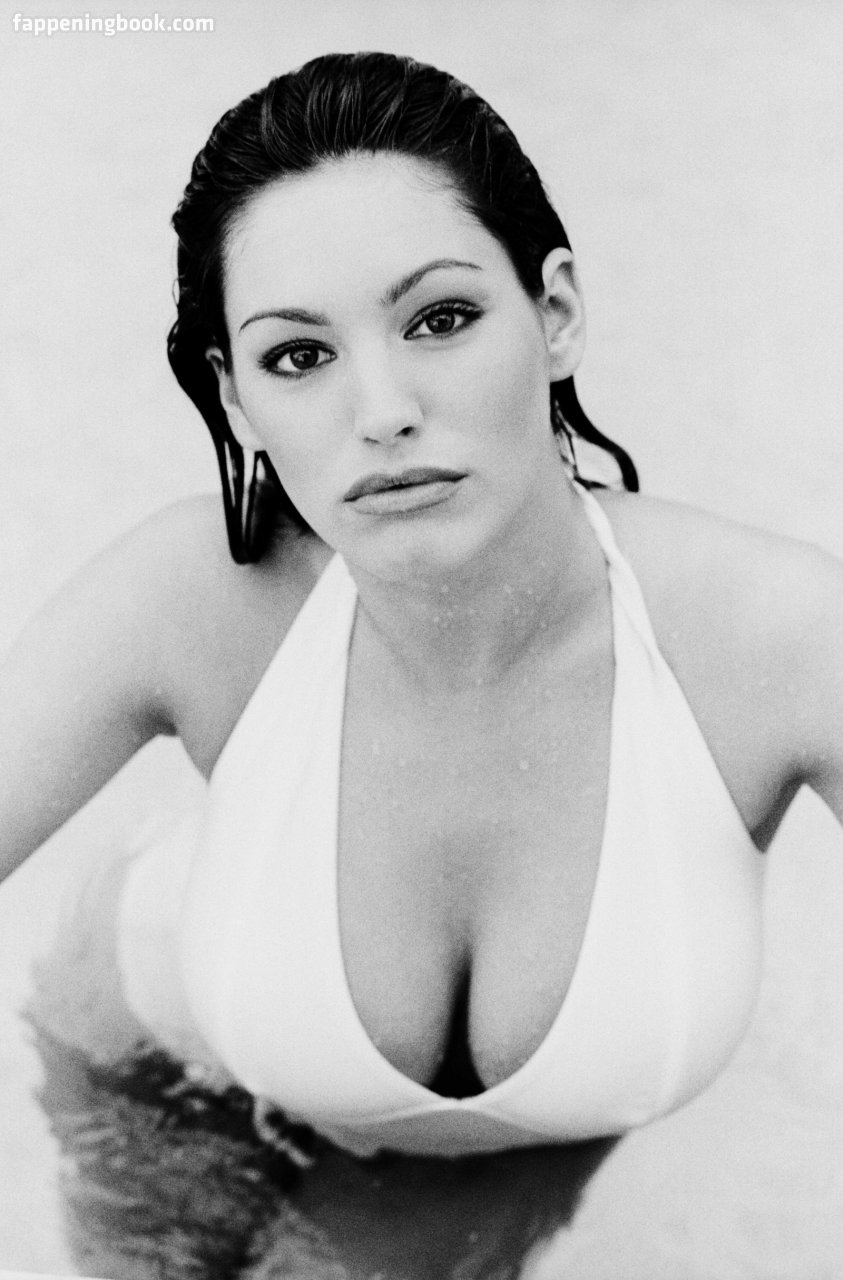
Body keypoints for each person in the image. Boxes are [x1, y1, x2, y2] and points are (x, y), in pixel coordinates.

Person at [3, 49, 842, 1279]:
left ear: (555, 313)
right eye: (299, 356)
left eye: (440, 318)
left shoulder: (776, 639)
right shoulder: (194, 601)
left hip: (506, 1154)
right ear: (234, 402)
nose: (383, 408)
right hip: (161, 1069)